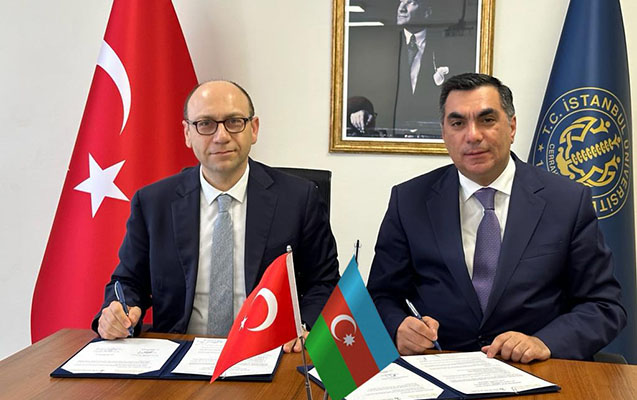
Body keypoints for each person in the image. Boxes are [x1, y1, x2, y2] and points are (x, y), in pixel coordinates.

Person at [367, 73, 626, 363]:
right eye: (457, 123)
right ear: (444, 133)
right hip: (440, 366)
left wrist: (544, 342)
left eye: (487, 120)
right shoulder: (409, 201)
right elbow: (380, 295)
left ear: (511, 127)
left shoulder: (567, 201)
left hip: (534, 370)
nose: (473, 135)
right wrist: (397, 327)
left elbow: (603, 305)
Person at [92, 80, 340, 352]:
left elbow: (324, 282)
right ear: (187, 133)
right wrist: (119, 311)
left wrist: (304, 325)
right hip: (179, 351)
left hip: (270, 350)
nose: (221, 136)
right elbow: (128, 281)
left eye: (234, 122)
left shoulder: (298, 199)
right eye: (206, 124)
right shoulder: (153, 203)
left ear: (254, 129)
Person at [348, 0, 472, 138]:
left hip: (434, 136)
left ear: (427, 12)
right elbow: (368, 90)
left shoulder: (449, 49)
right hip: (389, 136)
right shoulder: (381, 47)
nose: (401, 8)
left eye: (410, 2)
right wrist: (362, 111)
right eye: (401, 2)